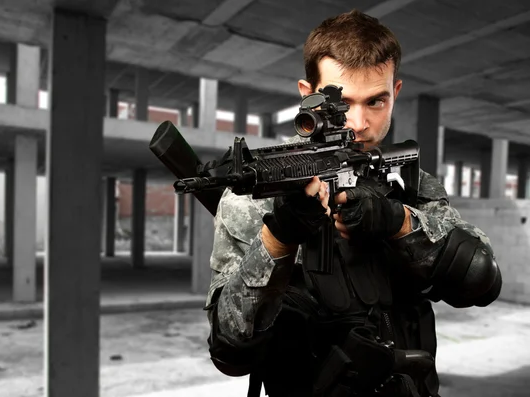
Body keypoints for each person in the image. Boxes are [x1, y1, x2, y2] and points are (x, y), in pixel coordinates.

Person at [203, 9, 502, 397]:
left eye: (375, 102)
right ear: (305, 95)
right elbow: (229, 351)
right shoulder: (253, 198)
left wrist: (397, 222)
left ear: (395, 93)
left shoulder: (409, 184)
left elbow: (482, 281)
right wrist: (279, 237)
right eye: (341, 104)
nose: (358, 123)